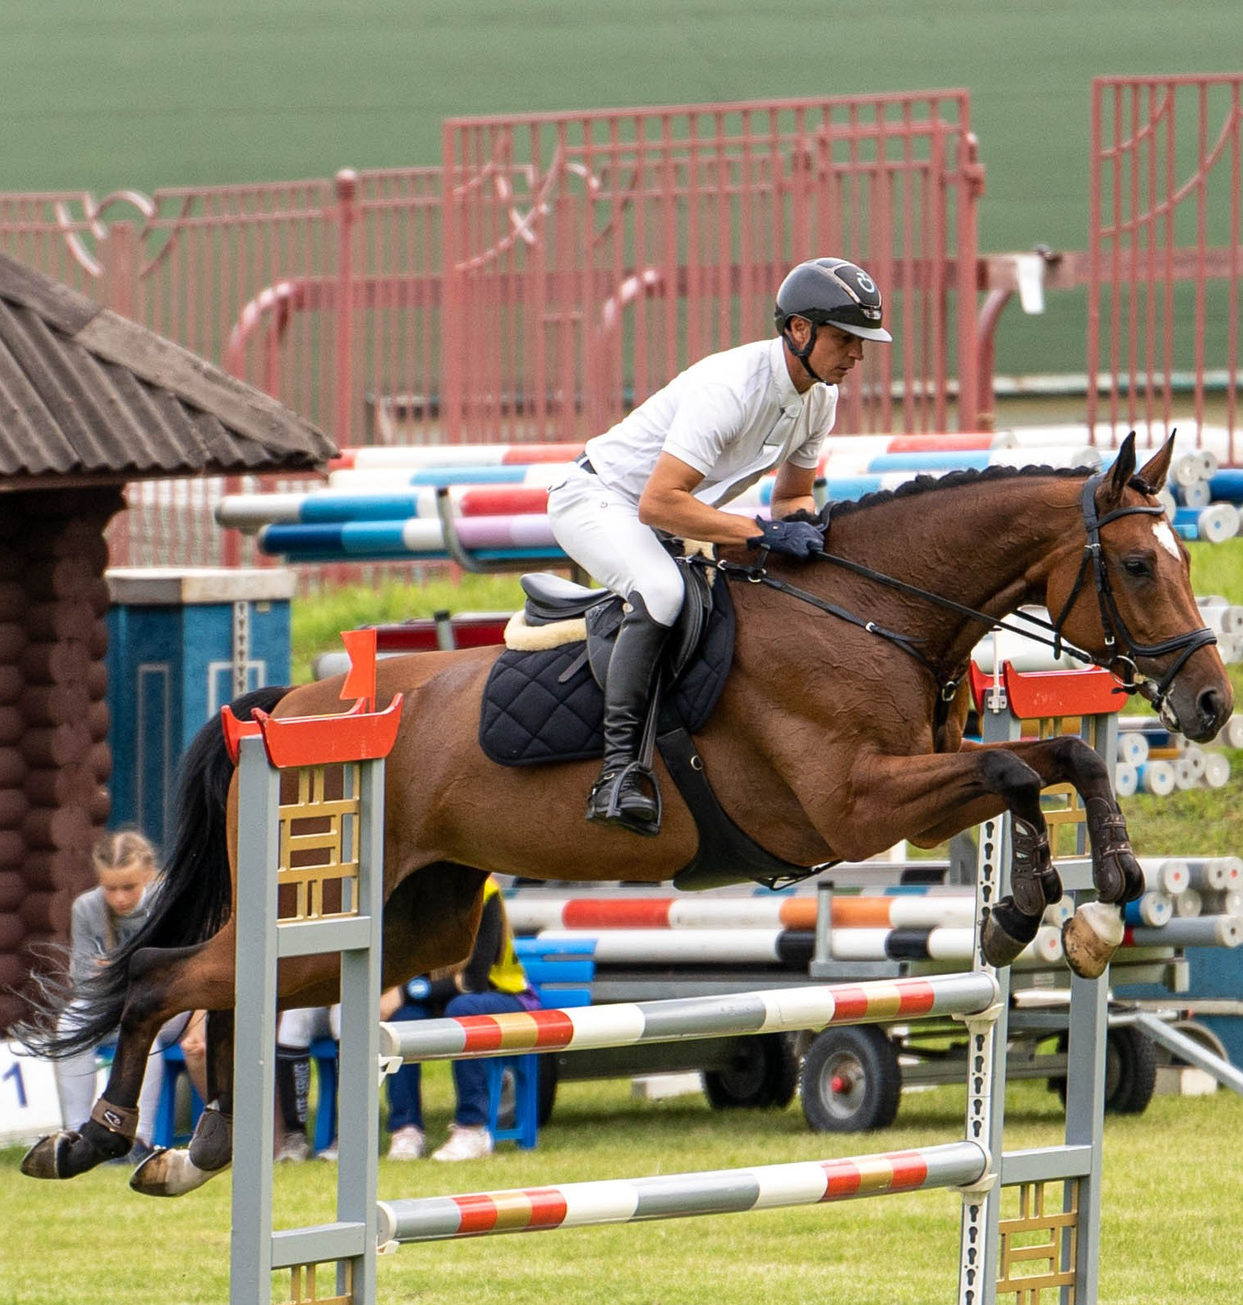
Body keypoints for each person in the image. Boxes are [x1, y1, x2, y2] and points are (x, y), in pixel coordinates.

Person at [547, 257, 891, 834]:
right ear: (799, 330)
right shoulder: (730, 387)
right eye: (846, 338)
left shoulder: (819, 398)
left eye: (863, 341)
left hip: (658, 515)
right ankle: (618, 774)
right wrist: (760, 533)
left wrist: (813, 543)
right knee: (660, 593)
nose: (858, 354)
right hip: (597, 500)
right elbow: (659, 502)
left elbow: (792, 500)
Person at [278, 876, 534, 1163]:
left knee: (463, 1009)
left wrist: (403, 993)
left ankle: (472, 1128)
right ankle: (406, 1130)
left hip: (504, 996)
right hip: (442, 1000)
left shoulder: (483, 888)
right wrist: (402, 997)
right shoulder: (415, 890)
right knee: (402, 1021)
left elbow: (472, 981)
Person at [58, 830, 194, 1155]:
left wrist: (117, 971)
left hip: (168, 1008)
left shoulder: (169, 902)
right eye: (110, 888)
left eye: (129, 887)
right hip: (109, 1007)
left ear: (148, 873)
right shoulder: (86, 908)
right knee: (69, 1024)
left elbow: (180, 973)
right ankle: (77, 1132)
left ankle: (139, 1138)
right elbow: (80, 978)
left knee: (142, 1027)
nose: (119, 898)